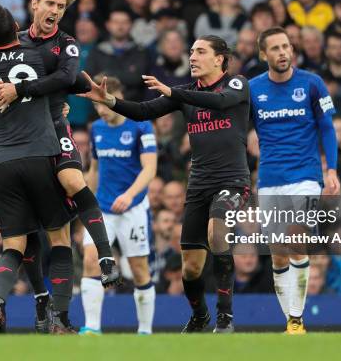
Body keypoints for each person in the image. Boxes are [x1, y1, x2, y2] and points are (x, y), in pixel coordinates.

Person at [80, 34, 252, 334]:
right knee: (191, 267)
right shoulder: (184, 93)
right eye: (191, 51)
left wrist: (174, 93)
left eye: (200, 52)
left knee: (218, 231)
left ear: (219, 59)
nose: (192, 57)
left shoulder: (236, 85)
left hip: (232, 180)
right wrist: (109, 100)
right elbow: (143, 112)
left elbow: (220, 101)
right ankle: (200, 315)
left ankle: (225, 318)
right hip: (199, 184)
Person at [0, 0, 119, 316]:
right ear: (34, 4)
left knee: (71, 182)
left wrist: (21, 90)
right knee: (38, 231)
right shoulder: (16, 41)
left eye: (62, 6)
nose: (55, 10)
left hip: (56, 127)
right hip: (29, 138)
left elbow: (67, 77)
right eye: (50, 3)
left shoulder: (65, 44)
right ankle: (43, 302)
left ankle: (104, 255)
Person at [0, 3, 83, 334]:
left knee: (13, 247)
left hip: (2, 163)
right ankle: (60, 318)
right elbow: (63, 78)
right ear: (17, 25)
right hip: (39, 156)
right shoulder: (35, 57)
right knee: (60, 237)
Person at [248, 26, 340, 334]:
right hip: (270, 177)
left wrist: (332, 170)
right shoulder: (252, 89)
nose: (283, 53)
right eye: (274, 48)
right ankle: (290, 318)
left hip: (306, 176)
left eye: (286, 46)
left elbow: (327, 127)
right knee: (278, 253)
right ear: (263, 54)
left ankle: (297, 318)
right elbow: (235, 127)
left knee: (296, 239)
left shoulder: (312, 84)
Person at [80, 77, 157, 335]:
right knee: (91, 262)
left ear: (118, 97)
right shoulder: (96, 129)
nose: (101, 110)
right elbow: (94, 169)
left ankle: (145, 331)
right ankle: (91, 328)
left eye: (105, 104)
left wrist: (129, 194)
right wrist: (85, 203)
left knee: (138, 269)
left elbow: (150, 168)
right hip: (103, 208)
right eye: (97, 105)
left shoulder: (140, 126)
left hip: (133, 207)